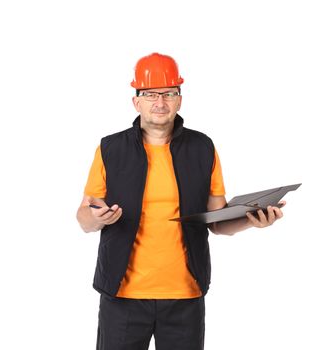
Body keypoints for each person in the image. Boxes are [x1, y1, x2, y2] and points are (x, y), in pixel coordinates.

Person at [76, 52, 285, 350]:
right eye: (151, 94)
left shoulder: (203, 148)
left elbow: (217, 222)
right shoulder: (110, 148)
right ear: (136, 101)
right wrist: (96, 218)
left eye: (169, 93)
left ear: (179, 99)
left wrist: (251, 220)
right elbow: (85, 215)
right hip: (122, 296)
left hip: (185, 296)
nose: (160, 102)